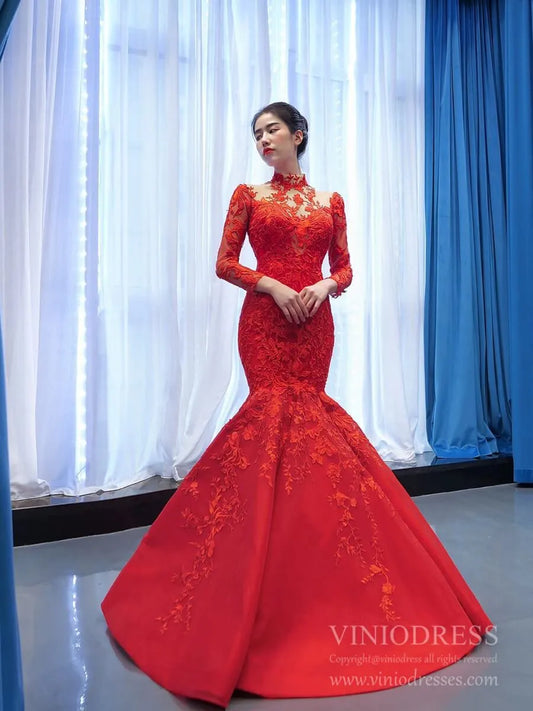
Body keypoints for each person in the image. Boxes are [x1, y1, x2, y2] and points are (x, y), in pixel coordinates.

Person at [101, 102, 494, 708]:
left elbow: (346, 268)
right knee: (267, 424)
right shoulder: (249, 196)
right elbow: (224, 263)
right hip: (264, 322)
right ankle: (245, 579)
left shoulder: (330, 200)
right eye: (257, 133)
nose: (263, 139)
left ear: (298, 135)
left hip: (314, 324)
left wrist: (323, 285)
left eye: (272, 130)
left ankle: (314, 569)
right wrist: (274, 285)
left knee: (310, 426)